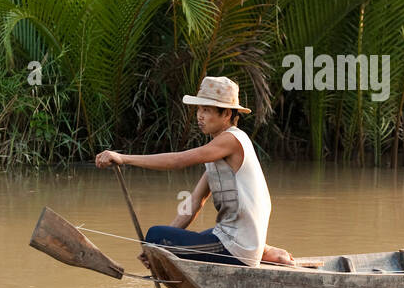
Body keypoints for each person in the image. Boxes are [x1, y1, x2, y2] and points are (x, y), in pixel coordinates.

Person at [95, 76, 294, 268]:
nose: (200, 115)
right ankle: (264, 251)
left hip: (237, 247)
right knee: (162, 238)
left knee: (155, 234)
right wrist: (158, 248)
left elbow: (177, 160)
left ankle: (261, 251)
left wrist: (124, 158)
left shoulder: (231, 140)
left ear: (226, 114)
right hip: (235, 240)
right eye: (199, 109)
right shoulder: (218, 150)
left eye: (206, 110)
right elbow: (194, 203)